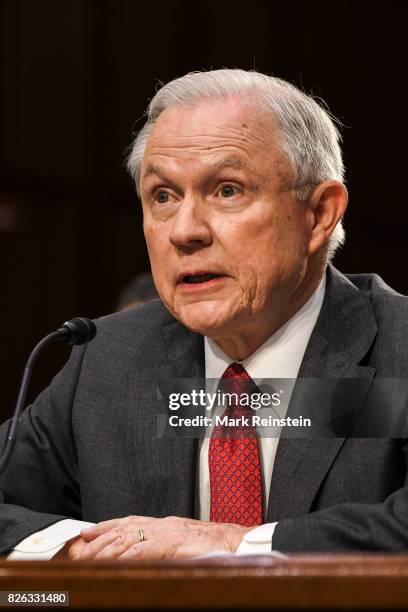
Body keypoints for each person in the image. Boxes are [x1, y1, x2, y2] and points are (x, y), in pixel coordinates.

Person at [2, 69, 408, 561]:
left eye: (227, 190)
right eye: (163, 197)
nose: (185, 231)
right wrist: (83, 552)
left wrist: (235, 545)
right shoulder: (108, 361)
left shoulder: (398, 348)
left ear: (320, 213)